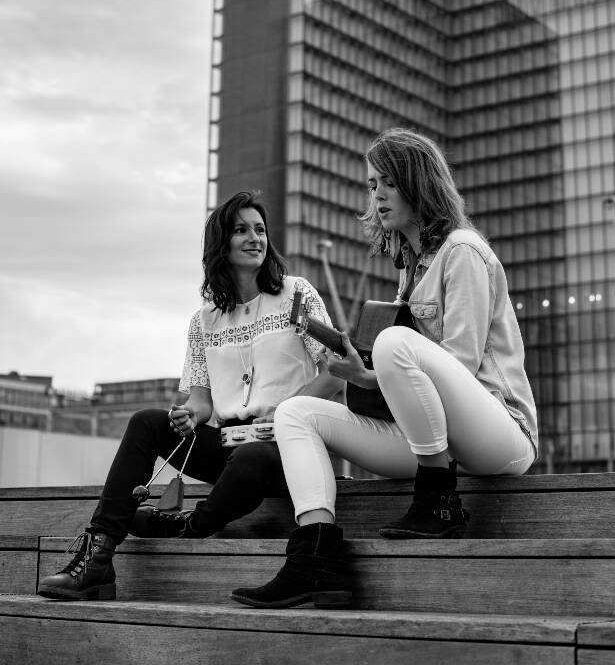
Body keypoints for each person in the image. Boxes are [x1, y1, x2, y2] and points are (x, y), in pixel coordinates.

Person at [231, 128, 539, 609]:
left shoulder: (462, 251)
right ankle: (315, 552)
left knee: (396, 340)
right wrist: (359, 373)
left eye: (386, 183)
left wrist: (378, 370)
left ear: (417, 182)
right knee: (298, 412)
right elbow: (406, 380)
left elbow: (456, 366)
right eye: (372, 185)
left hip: (498, 433)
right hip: (432, 440)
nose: (376, 196)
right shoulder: (411, 265)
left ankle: (438, 501)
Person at [38, 190, 343, 601]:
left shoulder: (295, 294)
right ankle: (97, 557)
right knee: (147, 422)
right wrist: (190, 417)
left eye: (260, 230)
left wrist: (284, 415)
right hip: (231, 444)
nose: (255, 238)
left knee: (252, 457)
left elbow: (336, 372)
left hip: (289, 444)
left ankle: (188, 526)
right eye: (241, 231)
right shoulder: (204, 320)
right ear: (222, 244)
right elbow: (199, 398)